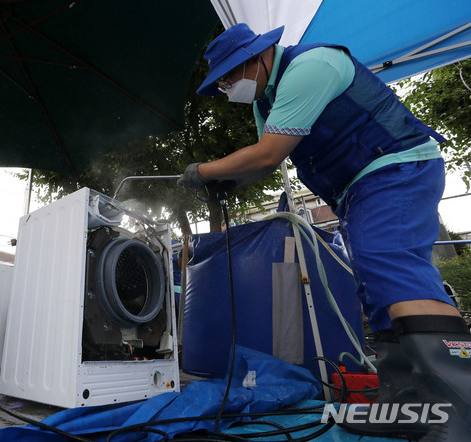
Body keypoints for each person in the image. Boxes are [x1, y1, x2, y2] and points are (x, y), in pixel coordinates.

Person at [178, 23, 471, 441]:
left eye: (228, 76)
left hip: (396, 168)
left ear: (259, 57)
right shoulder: (266, 103)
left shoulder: (312, 64)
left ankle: (456, 405)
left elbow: (267, 152)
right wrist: (227, 180)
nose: (227, 87)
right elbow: (263, 165)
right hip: (359, 189)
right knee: (373, 287)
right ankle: (405, 399)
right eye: (222, 82)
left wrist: (203, 171)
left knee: (388, 264)